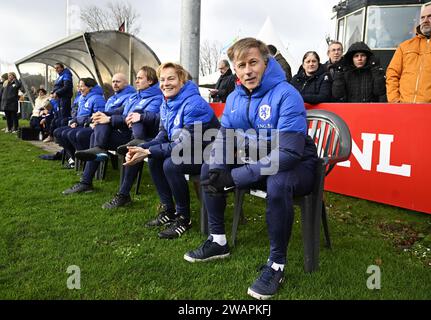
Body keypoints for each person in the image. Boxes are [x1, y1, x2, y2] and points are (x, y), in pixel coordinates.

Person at [184, 38, 318, 300]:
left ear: (265, 64)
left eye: (253, 62)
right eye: (241, 65)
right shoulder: (234, 97)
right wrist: (220, 169)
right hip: (258, 161)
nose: (247, 71)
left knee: (277, 182)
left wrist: (232, 177)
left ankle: (276, 264)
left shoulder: (287, 94)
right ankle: (218, 240)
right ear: (235, 69)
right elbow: (224, 136)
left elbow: (288, 154)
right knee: (209, 167)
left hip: (297, 165)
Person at [122, 62, 220, 238]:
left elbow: (184, 144)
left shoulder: (194, 104)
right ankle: (168, 210)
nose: (165, 83)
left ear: (182, 80)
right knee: (155, 158)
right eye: (162, 79)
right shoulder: (167, 102)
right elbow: (163, 135)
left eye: (171, 79)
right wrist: (142, 148)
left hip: (209, 154)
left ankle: (184, 218)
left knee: (170, 163)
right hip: (189, 150)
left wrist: (149, 151)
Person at [62, 66, 162, 197]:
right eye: (136, 78)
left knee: (111, 129)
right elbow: (120, 111)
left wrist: (110, 119)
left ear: (150, 81)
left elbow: (140, 118)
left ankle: (122, 194)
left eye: (140, 78)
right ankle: (87, 179)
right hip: (126, 134)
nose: (136, 81)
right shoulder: (135, 97)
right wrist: (102, 114)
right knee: (98, 126)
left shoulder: (156, 98)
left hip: (141, 137)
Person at [386, 3, 431, 103]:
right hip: (404, 109)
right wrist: (395, 101)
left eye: (430, 16)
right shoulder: (405, 46)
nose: (425, 21)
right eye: (422, 17)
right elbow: (392, 74)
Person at [53, 78, 106, 168]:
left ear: (90, 87)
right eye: (79, 86)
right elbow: (78, 115)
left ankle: (83, 160)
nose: (79, 89)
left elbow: (98, 116)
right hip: (80, 124)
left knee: (72, 134)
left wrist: (83, 122)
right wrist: (74, 121)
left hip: (89, 126)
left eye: (82, 86)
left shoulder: (97, 98)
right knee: (58, 132)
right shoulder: (82, 98)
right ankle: (72, 158)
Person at [44, 63, 73, 142]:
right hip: (59, 99)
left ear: (62, 68)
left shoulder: (66, 75)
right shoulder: (60, 76)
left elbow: (67, 87)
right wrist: (53, 91)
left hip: (64, 99)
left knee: (63, 118)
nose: (56, 70)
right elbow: (58, 87)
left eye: (58, 68)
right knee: (57, 117)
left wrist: (57, 93)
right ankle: (56, 136)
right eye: (55, 68)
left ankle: (63, 137)